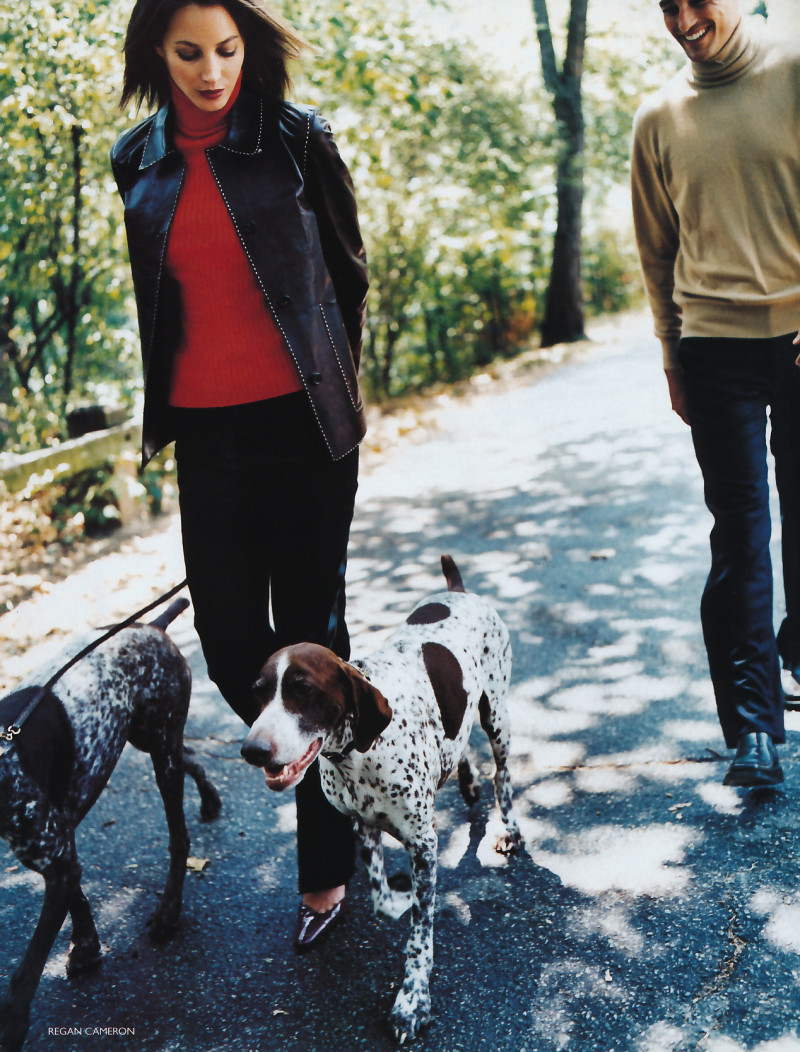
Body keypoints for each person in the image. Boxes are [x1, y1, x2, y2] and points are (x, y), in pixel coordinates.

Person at [111, 0, 368, 946]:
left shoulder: (300, 140)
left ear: (248, 46)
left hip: (304, 431)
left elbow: (349, 278)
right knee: (227, 637)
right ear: (157, 53)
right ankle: (325, 741)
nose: (212, 71)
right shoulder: (136, 161)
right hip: (205, 439)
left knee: (310, 628)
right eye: (189, 53)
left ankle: (328, 866)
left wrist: (329, 392)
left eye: (227, 49)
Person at [631, 0, 800, 787]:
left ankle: (794, 653)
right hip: (714, 348)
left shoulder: (794, 70)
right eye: (669, 5)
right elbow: (656, 251)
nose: (686, 17)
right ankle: (753, 729)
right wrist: (672, 357)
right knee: (740, 535)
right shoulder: (659, 117)